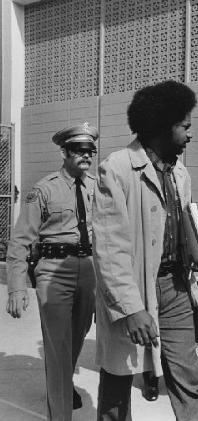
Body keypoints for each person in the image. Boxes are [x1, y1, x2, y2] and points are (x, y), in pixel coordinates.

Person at [92, 80, 198, 420]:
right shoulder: (116, 168)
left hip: (176, 287)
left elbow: (184, 217)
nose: (190, 135)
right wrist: (132, 309)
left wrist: (195, 247)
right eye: (185, 127)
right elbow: (108, 248)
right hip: (132, 291)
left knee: (188, 378)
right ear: (163, 125)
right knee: (119, 380)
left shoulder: (181, 172)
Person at [5, 123, 98, 420]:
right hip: (54, 273)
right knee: (58, 345)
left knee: (76, 337)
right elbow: (20, 240)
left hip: (89, 270)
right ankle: (59, 412)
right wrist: (17, 287)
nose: (86, 156)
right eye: (79, 150)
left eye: (90, 151)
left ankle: (61, 381)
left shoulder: (97, 187)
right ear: (65, 152)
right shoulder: (44, 190)